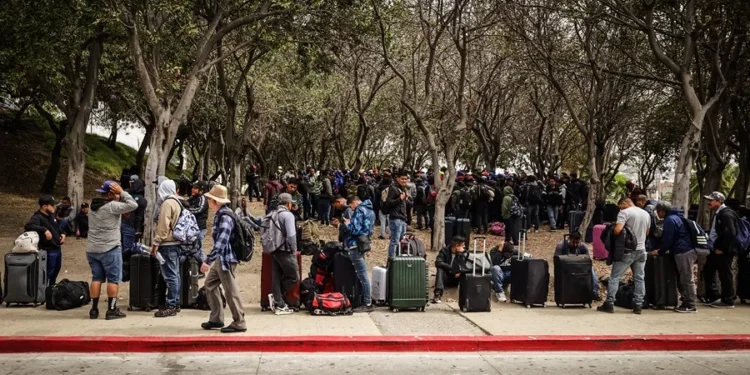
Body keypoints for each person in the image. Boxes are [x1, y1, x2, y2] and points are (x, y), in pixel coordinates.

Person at [87, 181, 137, 320]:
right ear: (110, 194)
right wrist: (122, 192)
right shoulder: (112, 206)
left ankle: (93, 310)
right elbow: (133, 205)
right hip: (110, 248)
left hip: (92, 248)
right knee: (113, 280)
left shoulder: (92, 206)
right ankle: (111, 309)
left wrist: (117, 195)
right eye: (114, 193)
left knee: (96, 278)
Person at [199, 184, 247, 333]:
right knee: (210, 284)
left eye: (210, 199)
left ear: (215, 201)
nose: (208, 201)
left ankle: (239, 321)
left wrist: (208, 260)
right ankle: (216, 318)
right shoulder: (223, 214)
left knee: (230, 290)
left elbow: (221, 242)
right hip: (223, 258)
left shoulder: (225, 217)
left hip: (226, 258)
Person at [597, 197, 650, 314]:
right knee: (639, 278)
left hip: (627, 251)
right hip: (641, 250)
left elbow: (618, 230)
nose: (619, 208)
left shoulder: (624, 213)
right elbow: (647, 232)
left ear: (625, 203)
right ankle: (638, 305)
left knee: (615, 277)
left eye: (620, 205)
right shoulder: (645, 213)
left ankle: (609, 303)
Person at [654, 201, 704, 313]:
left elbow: (668, 239)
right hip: (685, 249)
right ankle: (686, 299)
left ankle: (690, 304)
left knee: (686, 278)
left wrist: (660, 251)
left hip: (683, 251)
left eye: (658, 211)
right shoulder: (677, 217)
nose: (657, 213)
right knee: (684, 277)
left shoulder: (669, 220)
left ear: (662, 211)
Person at [151, 179, 184, 318]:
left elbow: (163, 225)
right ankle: (175, 303)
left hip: (167, 244)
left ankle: (171, 305)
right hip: (176, 243)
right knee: (175, 274)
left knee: (170, 276)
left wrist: (156, 243)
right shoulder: (178, 202)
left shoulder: (167, 203)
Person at [703, 191, 739, 308]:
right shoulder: (719, 213)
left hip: (723, 251)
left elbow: (731, 233)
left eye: (711, 200)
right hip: (716, 249)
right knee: (708, 270)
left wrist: (721, 248)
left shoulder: (726, 214)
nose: (709, 202)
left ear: (719, 201)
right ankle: (714, 296)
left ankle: (728, 299)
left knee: (725, 274)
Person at [265, 193, 300, 315]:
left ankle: (279, 303)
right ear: (288, 203)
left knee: (276, 277)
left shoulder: (272, 213)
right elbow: (291, 235)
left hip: (274, 249)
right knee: (294, 277)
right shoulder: (288, 215)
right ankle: (277, 298)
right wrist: (294, 249)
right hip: (285, 250)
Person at [343, 195, 376, 313]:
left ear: (354, 202)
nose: (351, 209)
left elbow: (354, 229)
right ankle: (366, 300)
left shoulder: (359, 210)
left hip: (355, 244)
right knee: (363, 273)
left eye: (351, 206)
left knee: (362, 274)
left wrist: (348, 224)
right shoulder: (371, 210)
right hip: (364, 243)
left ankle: (367, 302)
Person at [25, 195, 65, 285]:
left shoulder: (52, 215)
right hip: (47, 249)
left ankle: (52, 289)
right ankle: (44, 290)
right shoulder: (37, 217)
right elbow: (29, 226)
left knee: (56, 269)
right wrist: (44, 230)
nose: (54, 207)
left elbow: (57, 227)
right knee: (48, 271)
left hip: (57, 247)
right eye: (52, 205)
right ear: (44, 206)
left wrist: (63, 233)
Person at [554, 232, 601, 301]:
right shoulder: (561, 246)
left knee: (591, 271)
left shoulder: (583, 246)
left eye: (577, 243)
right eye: (573, 242)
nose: (575, 245)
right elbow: (556, 262)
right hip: (566, 269)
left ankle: (594, 292)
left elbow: (588, 262)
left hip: (580, 268)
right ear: (569, 239)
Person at [432, 236, 468, 303]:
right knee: (440, 268)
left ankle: (466, 297)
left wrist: (460, 271)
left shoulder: (464, 253)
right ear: (457, 246)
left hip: (457, 278)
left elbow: (466, 266)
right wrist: (452, 269)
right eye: (462, 245)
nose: (464, 247)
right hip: (446, 276)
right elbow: (438, 262)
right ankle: (438, 294)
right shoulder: (444, 251)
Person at [384, 170, 410, 258]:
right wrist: (400, 198)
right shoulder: (393, 188)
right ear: (397, 179)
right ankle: (391, 261)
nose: (404, 181)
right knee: (395, 241)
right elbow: (389, 202)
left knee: (401, 241)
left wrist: (406, 199)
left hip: (402, 218)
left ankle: (398, 260)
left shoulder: (402, 189)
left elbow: (404, 203)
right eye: (402, 179)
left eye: (406, 179)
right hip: (395, 218)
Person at [187, 181, 209, 256]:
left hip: (200, 228)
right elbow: (185, 204)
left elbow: (198, 210)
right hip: (192, 227)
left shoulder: (203, 199)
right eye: (192, 187)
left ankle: (203, 264)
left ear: (201, 191)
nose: (192, 189)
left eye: (195, 188)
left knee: (199, 249)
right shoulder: (192, 198)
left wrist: (187, 210)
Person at [377, 175, 392, 239]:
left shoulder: (379, 189)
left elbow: (377, 198)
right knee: (390, 221)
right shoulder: (391, 189)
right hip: (390, 206)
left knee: (382, 221)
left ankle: (382, 235)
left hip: (382, 206)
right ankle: (391, 235)